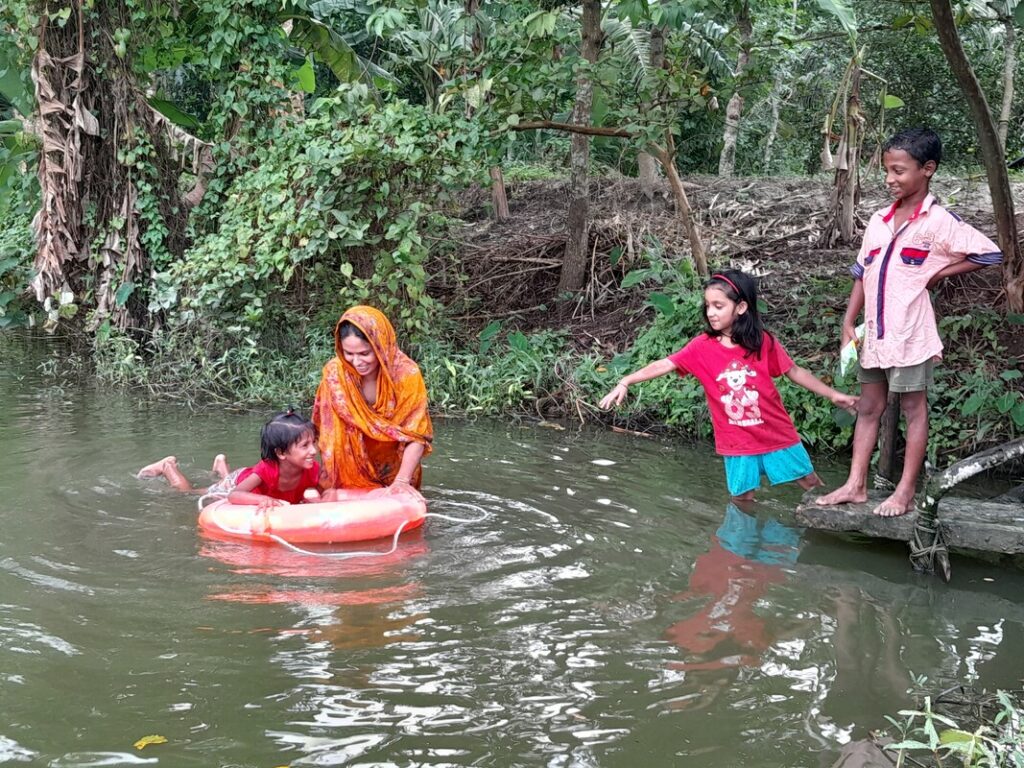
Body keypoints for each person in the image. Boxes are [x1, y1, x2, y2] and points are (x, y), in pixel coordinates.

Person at [816, 128, 1003, 517]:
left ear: (927, 169)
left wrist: (937, 274)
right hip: (876, 333)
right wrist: (848, 322)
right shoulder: (879, 220)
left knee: (914, 409)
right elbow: (861, 272)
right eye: (887, 171)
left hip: (912, 334)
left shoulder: (937, 222)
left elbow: (989, 253)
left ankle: (904, 491)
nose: (890, 179)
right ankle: (856, 484)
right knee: (869, 406)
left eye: (899, 171)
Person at [599, 269, 858, 501]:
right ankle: (743, 549)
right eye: (708, 305)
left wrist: (833, 395)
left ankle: (832, 526)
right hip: (737, 441)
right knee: (742, 498)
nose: (711, 312)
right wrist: (626, 380)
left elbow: (795, 371)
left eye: (719, 306)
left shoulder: (762, 342)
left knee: (811, 482)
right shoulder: (701, 347)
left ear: (741, 307)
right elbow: (665, 364)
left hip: (777, 434)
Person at [313, 305, 433, 493]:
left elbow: (417, 435)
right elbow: (326, 430)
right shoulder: (336, 374)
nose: (356, 362)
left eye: (364, 354)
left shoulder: (406, 375)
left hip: (395, 471)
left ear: (381, 346)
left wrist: (401, 481)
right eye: (349, 353)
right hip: (346, 473)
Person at [138, 409, 323, 512]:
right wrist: (263, 499)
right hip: (235, 483)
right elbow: (234, 495)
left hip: (246, 477)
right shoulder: (267, 469)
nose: (314, 450)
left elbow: (323, 495)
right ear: (281, 453)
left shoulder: (312, 469)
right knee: (187, 494)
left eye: (313, 443)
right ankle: (167, 466)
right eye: (305, 446)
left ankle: (220, 465)